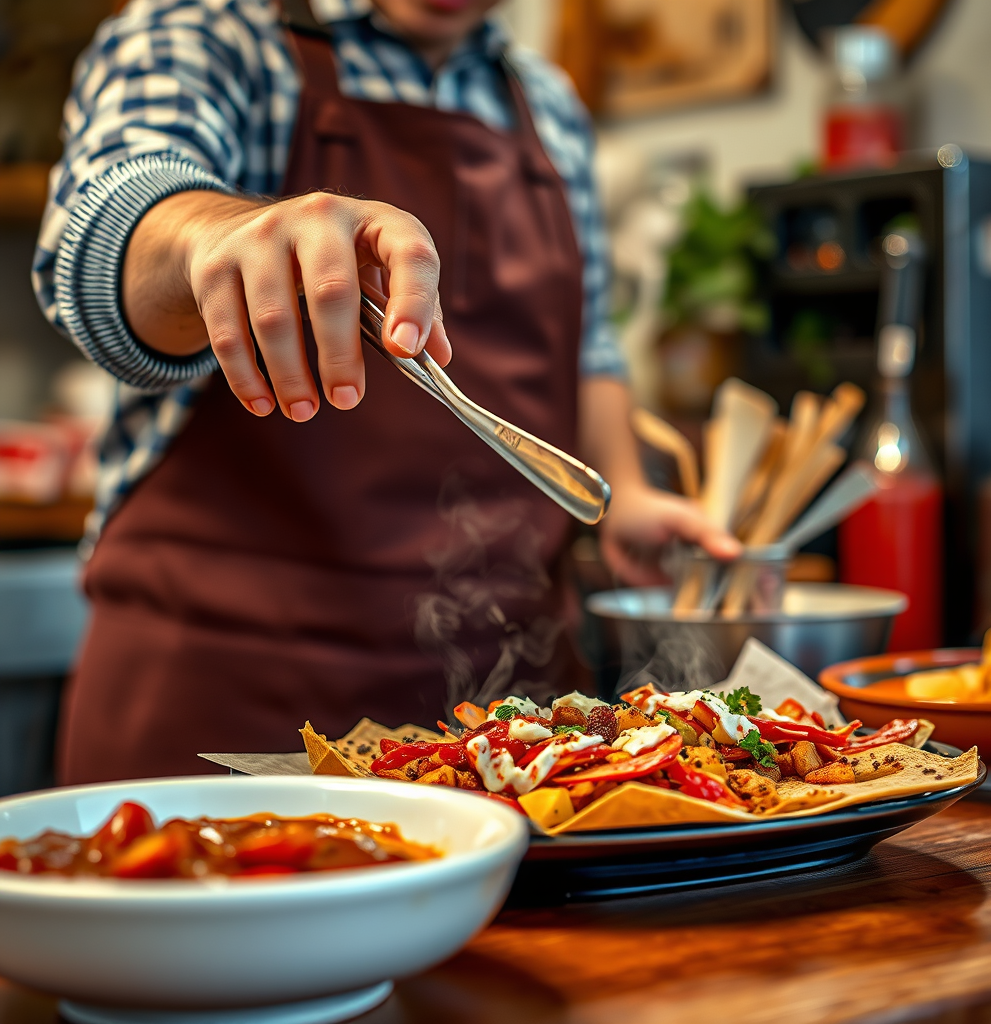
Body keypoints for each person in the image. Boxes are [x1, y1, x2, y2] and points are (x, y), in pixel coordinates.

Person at [34, 0, 739, 784]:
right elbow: (102, 233)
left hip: (510, 720)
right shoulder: (208, 33)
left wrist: (627, 492)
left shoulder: (548, 106)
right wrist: (210, 234)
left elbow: (590, 344)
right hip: (223, 705)